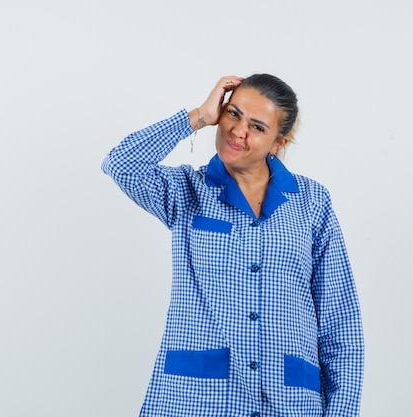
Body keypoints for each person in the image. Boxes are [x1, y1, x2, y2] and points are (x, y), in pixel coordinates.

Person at [102, 74, 364, 417]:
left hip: (289, 402)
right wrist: (198, 116)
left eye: (257, 127)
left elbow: (339, 320)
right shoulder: (186, 191)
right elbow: (120, 164)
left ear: (278, 143)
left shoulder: (311, 202)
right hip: (198, 399)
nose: (238, 131)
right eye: (234, 114)